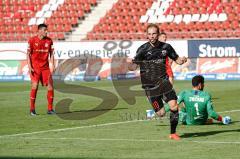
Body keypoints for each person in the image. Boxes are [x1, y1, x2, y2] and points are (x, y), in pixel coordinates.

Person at [128, 24, 187, 140]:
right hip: (150, 86)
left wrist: (182, 60)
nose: (151, 36)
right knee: (161, 113)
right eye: (149, 34)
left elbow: (177, 60)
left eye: (154, 33)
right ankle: (155, 105)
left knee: (174, 106)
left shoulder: (166, 47)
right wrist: (130, 65)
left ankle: (173, 133)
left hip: (164, 82)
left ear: (158, 34)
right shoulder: (143, 49)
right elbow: (134, 66)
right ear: (147, 35)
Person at [27, 23, 55, 116]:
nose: (47, 32)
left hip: (45, 68)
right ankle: (32, 109)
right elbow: (28, 54)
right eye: (45, 30)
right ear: (40, 30)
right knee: (35, 86)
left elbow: (52, 54)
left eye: (47, 30)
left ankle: (50, 109)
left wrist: (52, 64)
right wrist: (30, 66)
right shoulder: (32, 40)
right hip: (35, 67)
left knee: (50, 86)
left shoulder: (49, 41)